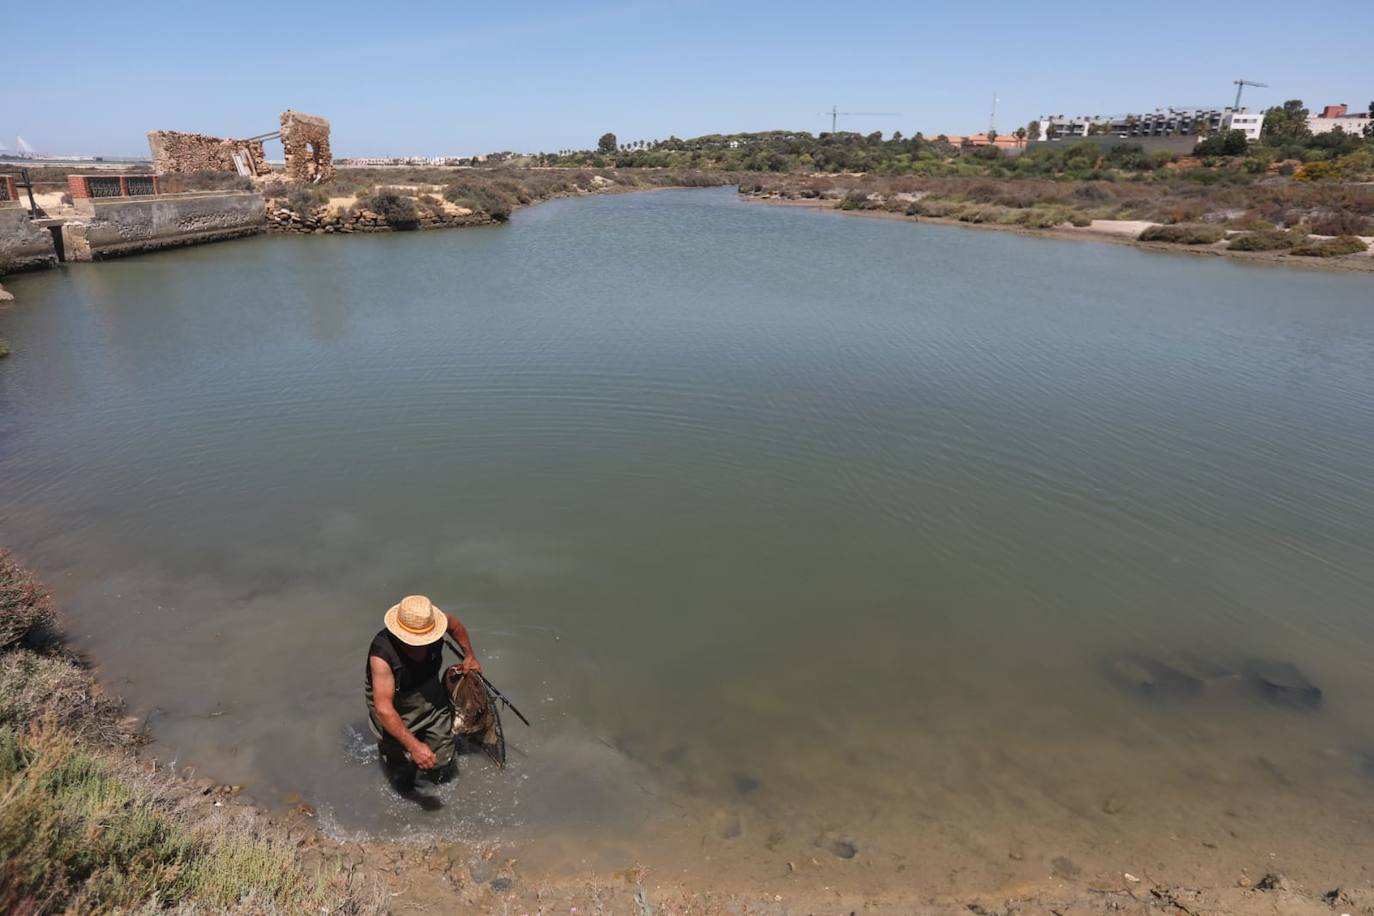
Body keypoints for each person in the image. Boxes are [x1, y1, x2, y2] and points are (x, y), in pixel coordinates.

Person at [365, 594, 481, 792]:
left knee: (442, 757)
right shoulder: (382, 656)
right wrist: (414, 747)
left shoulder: (437, 625)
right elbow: (384, 709)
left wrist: (469, 656)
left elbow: (456, 626)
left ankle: (431, 792)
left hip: (431, 696)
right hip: (396, 705)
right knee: (398, 765)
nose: (423, 643)